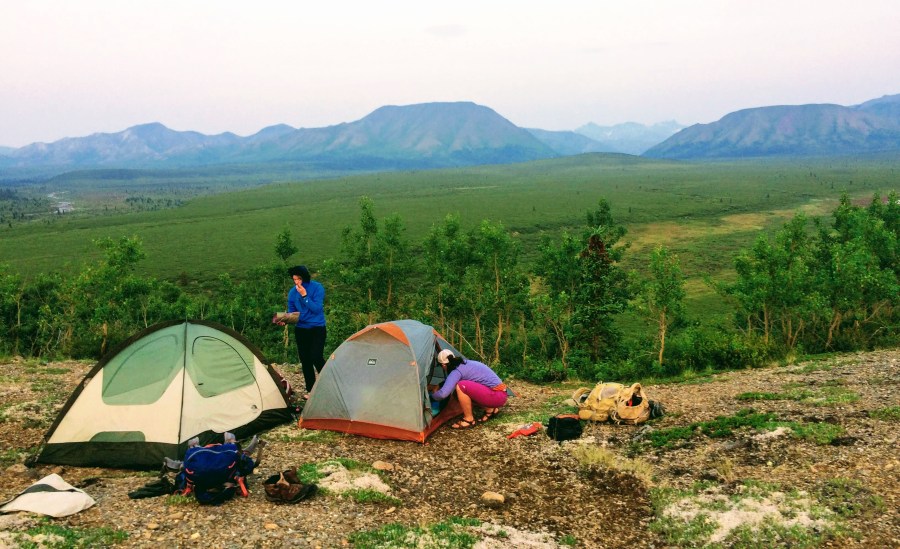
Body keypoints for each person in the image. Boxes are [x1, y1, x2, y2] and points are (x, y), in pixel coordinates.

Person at [429, 349, 508, 429]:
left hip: (496, 396)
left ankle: (469, 419)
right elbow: (451, 380)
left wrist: (430, 398)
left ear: (443, 365)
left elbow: (443, 394)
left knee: (461, 386)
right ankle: (490, 410)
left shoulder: (456, 371)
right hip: (500, 393)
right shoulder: (465, 363)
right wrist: (439, 385)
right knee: (459, 391)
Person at [286, 265, 326, 398]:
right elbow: (292, 312)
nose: (296, 282)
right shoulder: (292, 292)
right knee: (306, 360)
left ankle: (329, 384)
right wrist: (285, 320)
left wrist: (304, 296)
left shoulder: (317, 288)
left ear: (304, 277)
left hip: (317, 327)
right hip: (301, 329)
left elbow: (316, 309)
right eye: (294, 280)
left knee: (316, 356)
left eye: (298, 279)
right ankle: (311, 391)